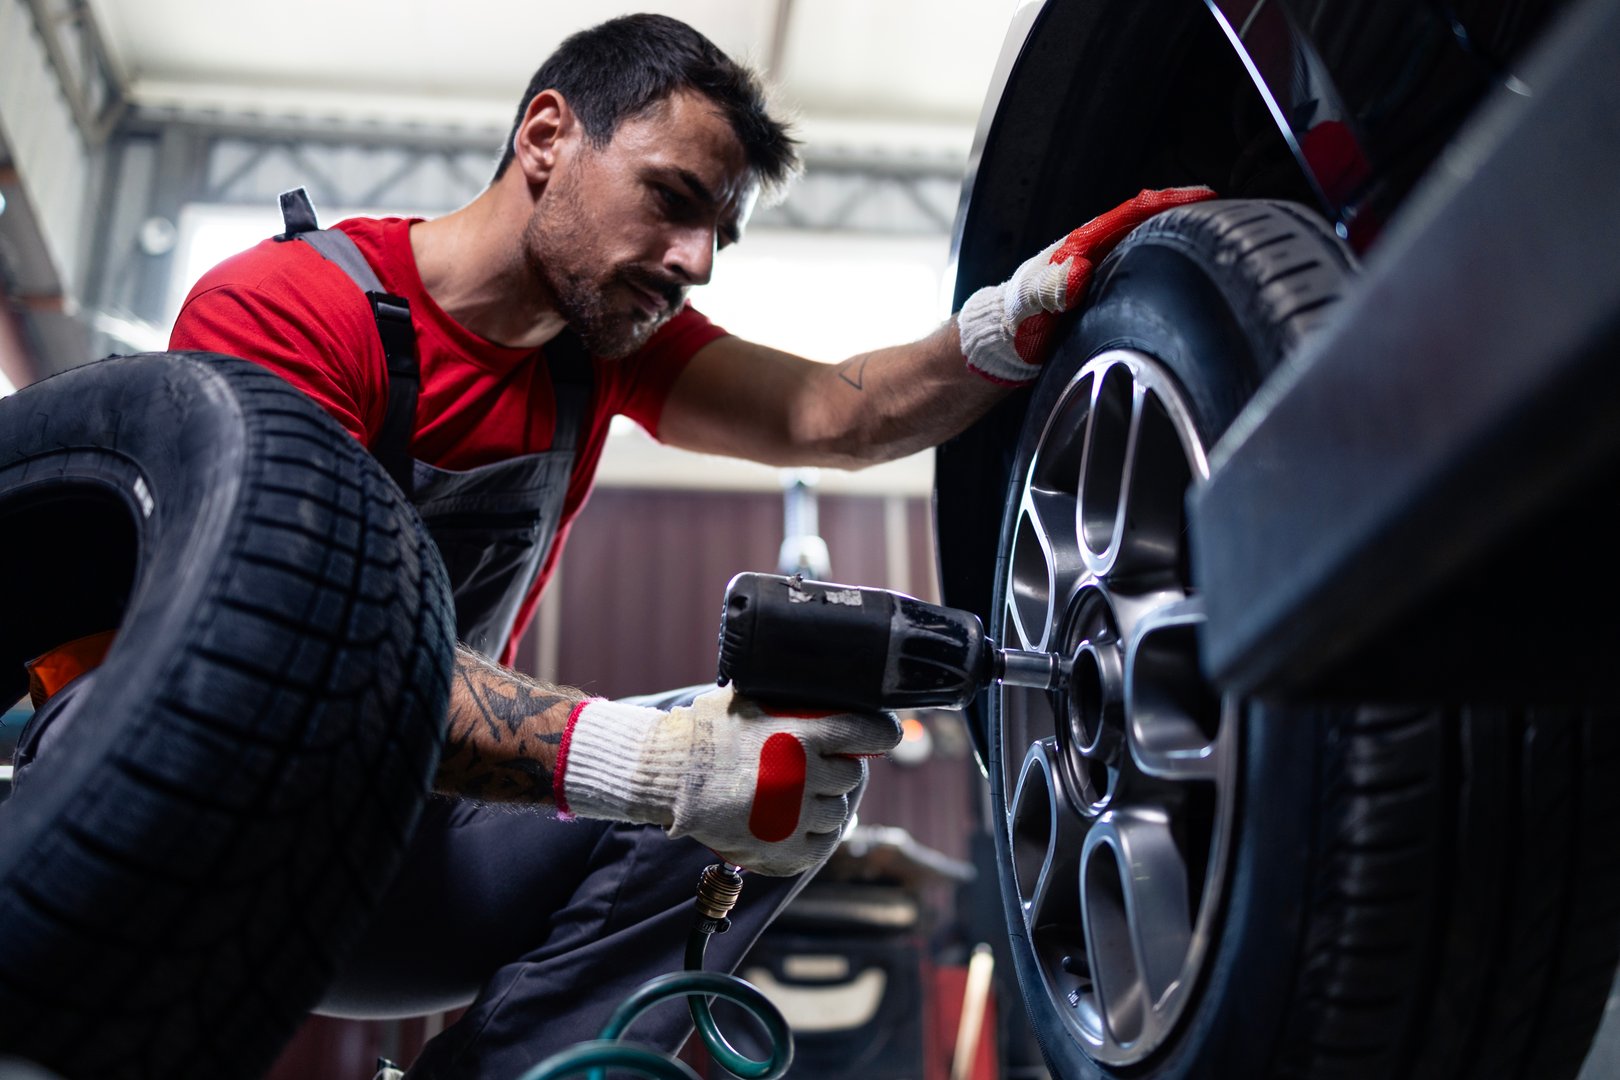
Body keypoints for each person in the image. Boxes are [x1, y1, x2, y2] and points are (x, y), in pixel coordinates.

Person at [164, 13, 1212, 1077]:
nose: (697, 263)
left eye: (721, 232)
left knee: (777, 757)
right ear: (546, 138)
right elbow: (308, 671)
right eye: (671, 200)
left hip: (399, 879)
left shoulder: (595, 351)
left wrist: (1006, 323)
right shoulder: (293, 310)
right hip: (210, 855)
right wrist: (654, 762)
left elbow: (830, 411)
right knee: (688, 760)